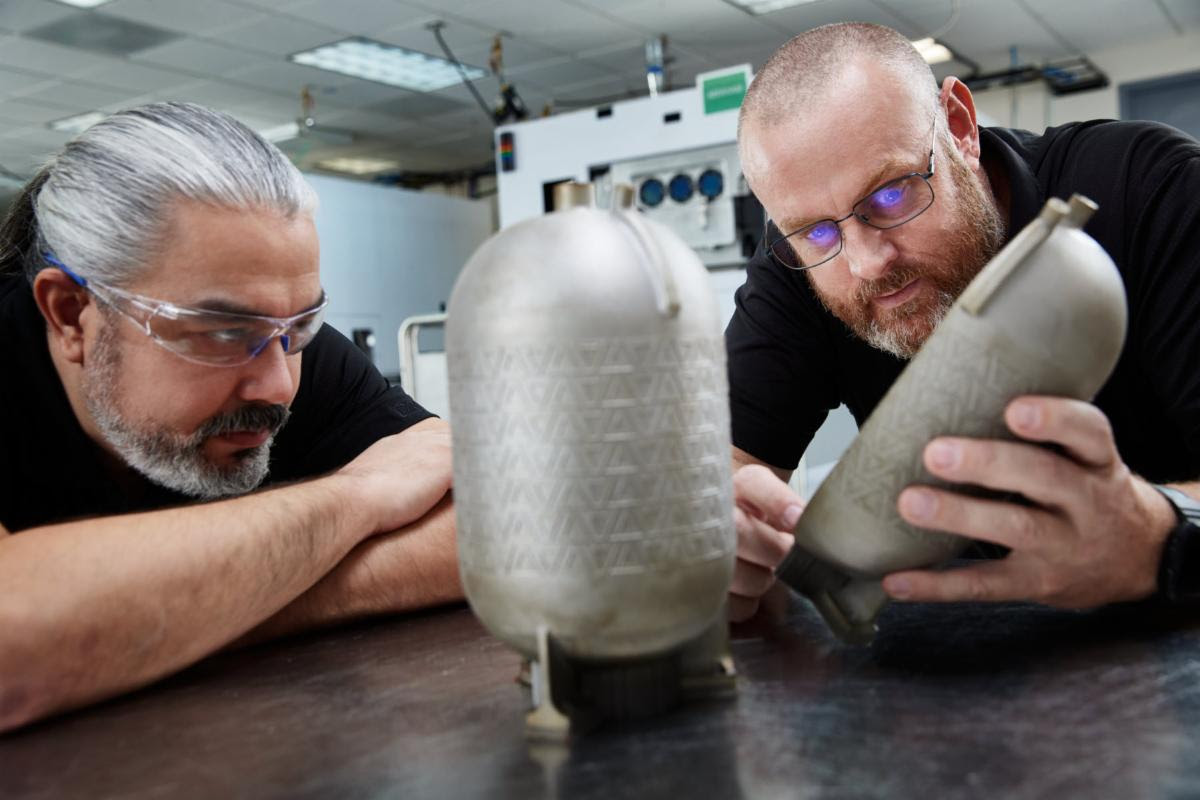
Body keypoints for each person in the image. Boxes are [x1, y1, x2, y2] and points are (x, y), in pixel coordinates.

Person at [0, 103, 462, 731]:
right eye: (219, 333)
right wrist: (357, 498)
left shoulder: (285, 344)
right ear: (71, 313)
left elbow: (494, 522)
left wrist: (160, 614)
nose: (278, 386)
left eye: (302, 324)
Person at [725, 23, 1200, 623]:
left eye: (892, 195)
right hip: (952, 669)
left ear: (959, 127)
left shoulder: (1153, 189)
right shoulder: (801, 258)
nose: (868, 262)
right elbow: (722, 477)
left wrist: (1158, 537)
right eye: (816, 230)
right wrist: (721, 541)